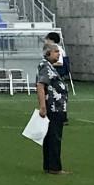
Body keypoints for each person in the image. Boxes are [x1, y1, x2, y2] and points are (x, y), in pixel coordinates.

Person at [37, 39, 70, 174]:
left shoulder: (48, 66)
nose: (58, 54)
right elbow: (40, 85)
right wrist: (43, 106)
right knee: (54, 137)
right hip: (53, 107)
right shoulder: (45, 66)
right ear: (48, 53)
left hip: (56, 107)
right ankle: (55, 167)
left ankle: (49, 165)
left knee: (50, 137)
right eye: (56, 51)